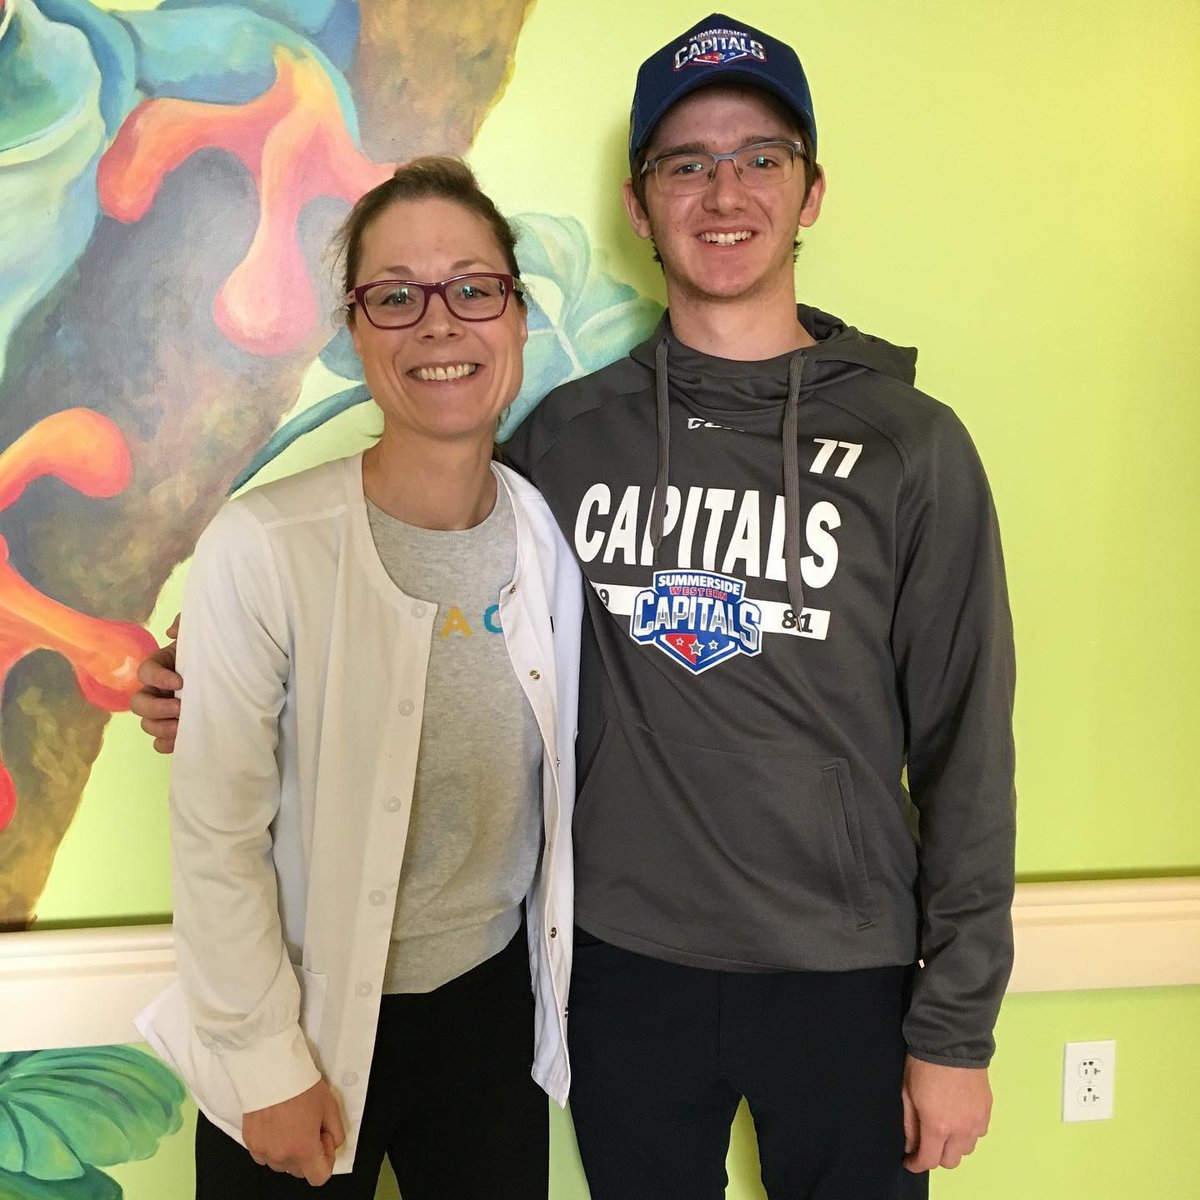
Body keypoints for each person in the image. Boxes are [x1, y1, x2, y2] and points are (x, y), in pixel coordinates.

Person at [136, 13, 1016, 1200]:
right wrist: (208, 672)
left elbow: (968, 748)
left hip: (846, 977)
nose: (723, 192)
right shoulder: (564, 439)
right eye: (685, 163)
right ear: (638, 201)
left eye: (760, 157)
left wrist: (954, 1027)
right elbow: (404, 577)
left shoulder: (915, 447)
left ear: (811, 192)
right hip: (619, 975)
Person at [135, 156, 581, 1200]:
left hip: (487, 1024)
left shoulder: (546, 537)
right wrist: (266, 1065)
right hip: (305, 1014)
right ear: (354, 328)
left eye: (474, 288)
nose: (439, 324)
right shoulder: (264, 544)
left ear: (516, 319)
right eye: (395, 295)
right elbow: (218, 838)